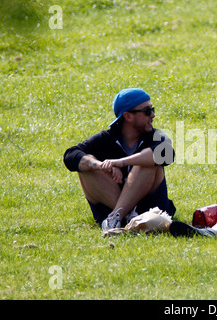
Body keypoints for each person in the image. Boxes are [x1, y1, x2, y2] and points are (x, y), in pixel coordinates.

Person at [63, 88, 176, 231]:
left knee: (147, 162)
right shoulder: (106, 138)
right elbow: (71, 155)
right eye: (147, 110)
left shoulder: (156, 136)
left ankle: (121, 215)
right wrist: (101, 165)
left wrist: (121, 162)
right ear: (128, 116)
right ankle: (120, 218)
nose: (153, 115)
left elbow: (166, 154)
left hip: (150, 212)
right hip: (113, 212)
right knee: (86, 166)